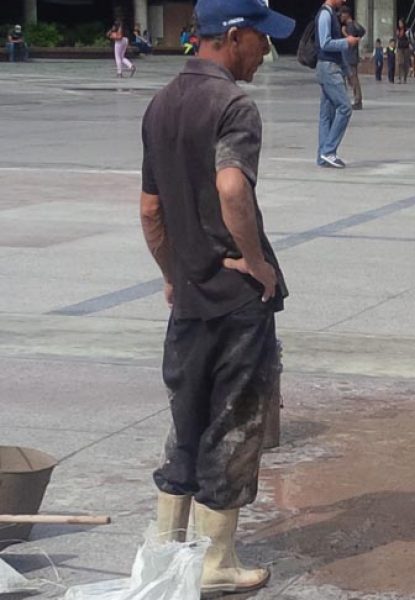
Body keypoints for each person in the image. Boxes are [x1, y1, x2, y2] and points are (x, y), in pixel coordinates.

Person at [140, 0, 294, 594]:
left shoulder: (161, 105)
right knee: (234, 423)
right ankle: (216, 563)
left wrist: (174, 274)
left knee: (186, 418)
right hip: (235, 299)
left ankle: (168, 547)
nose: (266, 51)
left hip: (190, 298)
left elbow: (151, 210)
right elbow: (232, 186)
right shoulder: (232, 105)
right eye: (261, 40)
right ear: (233, 36)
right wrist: (255, 263)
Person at [315, 0, 359, 168]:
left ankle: (323, 155)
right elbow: (325, 43)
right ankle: (329, 150)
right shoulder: (325, 15)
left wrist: (347, 71)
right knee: (345, 107)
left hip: (330, 66)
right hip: (328, 68)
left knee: (326, 113)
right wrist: (346, 42)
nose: (345, 1)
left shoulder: (332, 14)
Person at [340, 7, 365, 110]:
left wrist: (344, 33)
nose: (341, 17)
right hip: (352, 56)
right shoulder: (353, 24)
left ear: (346, 14)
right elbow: (362, 31)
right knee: (352, 79)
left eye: (342, 14)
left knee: (353, 79)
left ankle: (358, 101)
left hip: (350, 56)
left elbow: (350, 42)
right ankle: (357, 100)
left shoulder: (349, 26)